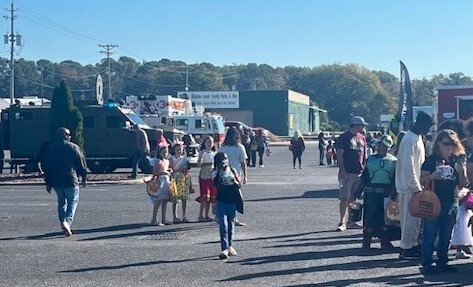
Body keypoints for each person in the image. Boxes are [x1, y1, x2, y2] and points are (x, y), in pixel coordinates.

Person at [419, 129, 468, 275]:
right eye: (446, 144)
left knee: (447, 235)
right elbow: (421, 180)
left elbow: (463, 184)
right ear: (438, 144)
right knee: (430, 234)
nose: (449, 147)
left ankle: (442, 261)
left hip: (451, 201)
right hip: (433, 201)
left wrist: (462, 172)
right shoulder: (431, 159)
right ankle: (427, 264)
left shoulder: (455, 160)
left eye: (453, 144)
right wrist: (433, 176)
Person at [395, 111, 433, 260]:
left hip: (417, 186)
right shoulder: (408, 139)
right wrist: (416, 186)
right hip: (409, 187)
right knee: (409, 219)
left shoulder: (417, 138)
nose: (428, 130)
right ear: (419, 123)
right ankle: (405, 248)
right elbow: (408, 166)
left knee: (416, 218)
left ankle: (413, 244)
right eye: (427, 127)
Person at [354, 135, 397, 250]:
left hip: (386, 193)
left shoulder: (393, 161)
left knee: (385, 219)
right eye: (379, 145)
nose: (381, 148)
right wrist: (357, 191)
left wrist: (394, 191)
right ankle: (366, 242)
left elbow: (395, 178)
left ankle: (385, 242)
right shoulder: (371, 160)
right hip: (371, 193)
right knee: (369, 218)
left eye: (384, 146)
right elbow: (365, 177)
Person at [43, 127, 87, 236]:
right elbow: (81, 164)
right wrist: (84, 177)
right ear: (67, 136)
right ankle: (67, 221)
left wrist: (48, 182)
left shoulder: (51, 148)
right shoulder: (73, 147)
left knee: (61, 202)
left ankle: (62, 220)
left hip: (56, 180)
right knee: (72, 202)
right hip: (70, 179)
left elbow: (47, 167)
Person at [335, 116, 369, 231]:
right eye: (362, 125)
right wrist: (342, 170)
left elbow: (364, 154)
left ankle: (350, 221)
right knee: (344, 197)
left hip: (359, 172)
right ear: (356, 125)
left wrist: (365, 168)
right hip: (347, 172)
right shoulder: (343, 137)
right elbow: (339, 154)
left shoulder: (362, 137)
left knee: (353, 197)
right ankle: (342, 221)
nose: (363, 127)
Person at [213, 152, 242, 259]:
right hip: (221, 201)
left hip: (232, 201)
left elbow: (239, 185)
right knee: (223, 225)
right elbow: (215, 184)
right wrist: (220, 174)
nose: (224, 161)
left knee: (231, 224)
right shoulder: (215, 172)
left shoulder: (233, 170)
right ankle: (224, 248)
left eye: (226, 159)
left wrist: (234, 181)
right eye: (222, 160)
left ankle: (230, 246)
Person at [219, 127, 248, 226]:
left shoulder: (223, 147)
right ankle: (234, 218)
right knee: (236, 197)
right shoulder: (240, 147)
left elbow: (218, 161)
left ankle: (220, 216)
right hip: (235, 175)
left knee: (223, 196)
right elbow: (243, 162)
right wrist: (245, 176)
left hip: (223, 174)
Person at [169, 143, 193, 223]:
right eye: (177, 149)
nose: (179, 151)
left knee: (184, 198)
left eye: (180, 149)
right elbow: (171, 169)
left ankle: (184, 216)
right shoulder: (171, 158)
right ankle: (175, 216)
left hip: (183, 179)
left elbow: (186, 170)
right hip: (175, 178)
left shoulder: (184, 159)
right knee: (175, 198)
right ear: (174, 150)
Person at [148, 146, 172, 226]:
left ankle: (163, 219)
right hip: (160, 181)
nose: (165, 153)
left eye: (166, 152)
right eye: (163, 152)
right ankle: (153, 219)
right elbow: (155, 172)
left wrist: (168, 171)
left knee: (165, 201)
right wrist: (164, 173)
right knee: (158, 201)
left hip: (166, 181)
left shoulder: (167, 161)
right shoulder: (158, 161)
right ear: (160, 152)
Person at [197, 136, 217, 222]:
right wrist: (201, 157)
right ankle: (201, 215)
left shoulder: (215, 153)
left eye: (211, 142)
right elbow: (199, 164)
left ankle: (206, 215)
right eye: (208, 142)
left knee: (210, 196)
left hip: (212, 175)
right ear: (205, 143)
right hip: (204, 174)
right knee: (204, 196)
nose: (209, 144)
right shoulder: (202, 152)